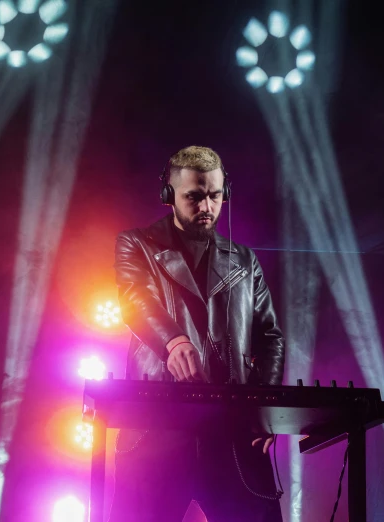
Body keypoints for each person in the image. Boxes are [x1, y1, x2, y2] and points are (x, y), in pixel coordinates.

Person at [109, 145, 285, 522]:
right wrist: (174, 341)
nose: (207, 206)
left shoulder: (244, 259)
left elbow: (270, 337)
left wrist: (265, 411)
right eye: (194, 196)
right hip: (155, 431)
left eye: (215, 195)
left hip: (233, 435)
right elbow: (133, 297)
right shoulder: (135, 243)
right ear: (168, 195)